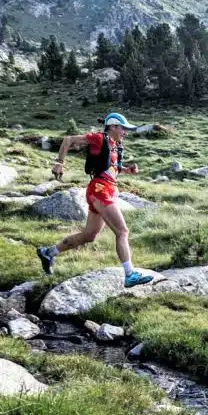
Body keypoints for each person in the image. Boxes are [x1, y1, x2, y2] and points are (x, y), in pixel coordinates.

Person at [36, 112, 154, 288]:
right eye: (123, 128)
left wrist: (128, 170)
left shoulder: (115, 146)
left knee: (90, 235)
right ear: (113, 126)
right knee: (122, 231)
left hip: (104, 190)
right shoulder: (99, 138)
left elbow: (111, 167)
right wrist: (59, 163)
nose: (126, 132)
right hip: (101, 190)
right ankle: (129, 274)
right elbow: (68, 139)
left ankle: (49, 252)